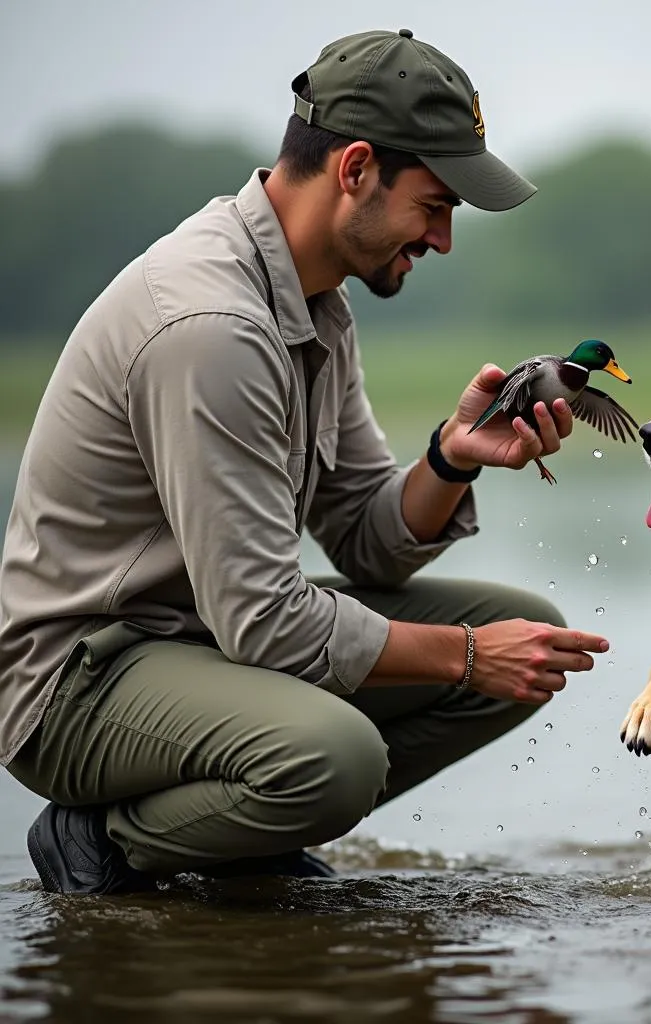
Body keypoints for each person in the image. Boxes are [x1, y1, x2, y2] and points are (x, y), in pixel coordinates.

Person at [0, 27, 610, 895]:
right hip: (81, 682)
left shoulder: (315, 298)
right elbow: (264, 621)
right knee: (337, 757)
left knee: (526, 631)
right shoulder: (214, 329)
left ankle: (234, 830)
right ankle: (110, 839)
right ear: (355, 168)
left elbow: (366, 541)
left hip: (201, 643)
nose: (442, 239)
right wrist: (469, 654)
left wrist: (452, 458)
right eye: (434, 205)